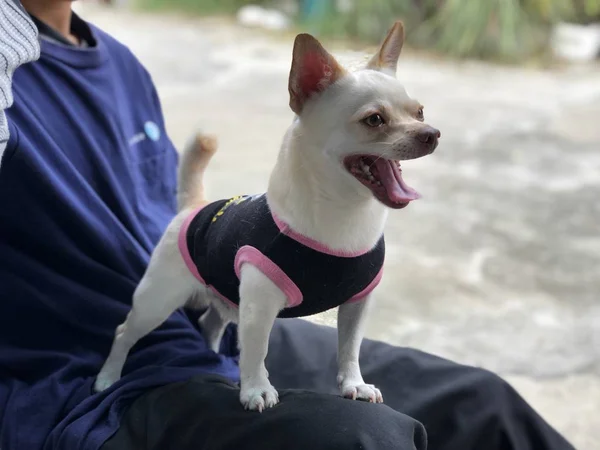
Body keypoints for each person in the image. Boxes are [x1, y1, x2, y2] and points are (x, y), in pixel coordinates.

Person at [0, 1, 576, 449]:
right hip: (70, 365)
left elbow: (166, 211)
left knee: (484, 404)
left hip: (210, 311)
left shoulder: (122, 64)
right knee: (364, 439)